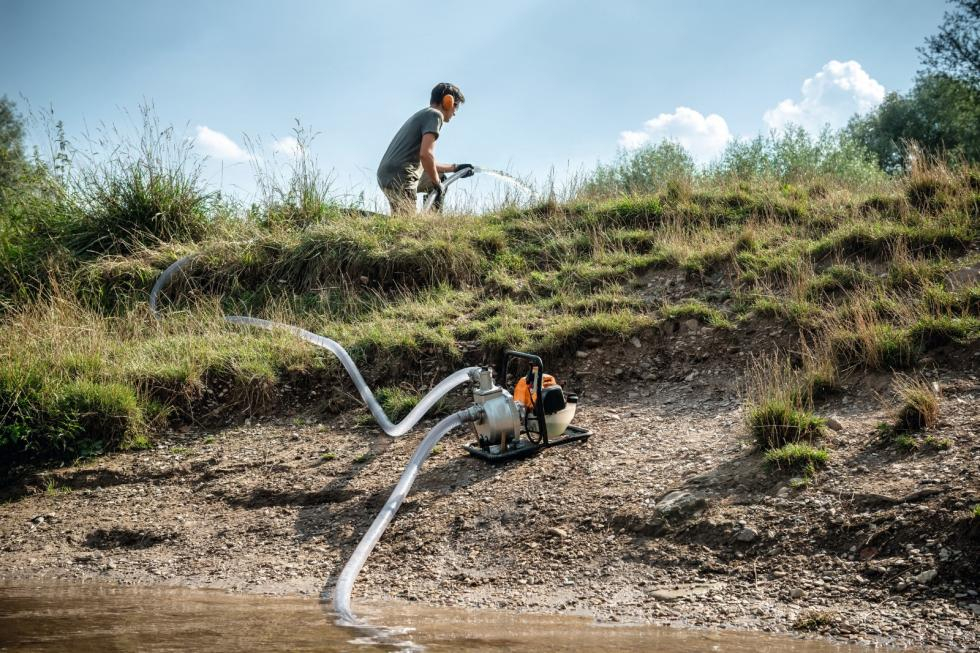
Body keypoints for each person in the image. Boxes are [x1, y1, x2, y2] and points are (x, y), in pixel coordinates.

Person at [377, 82, 474, 214]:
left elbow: (426, 163)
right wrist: (436, 183)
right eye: (455, 106)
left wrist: (455, 168)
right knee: (407, 229)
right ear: (448, 101)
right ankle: (429, 225)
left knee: (442, 179)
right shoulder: (435, 115)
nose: (455, 113)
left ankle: (430, 220)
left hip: (388, 174)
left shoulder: (424, 114)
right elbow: (426, 155)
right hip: (402, 176)